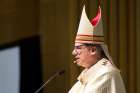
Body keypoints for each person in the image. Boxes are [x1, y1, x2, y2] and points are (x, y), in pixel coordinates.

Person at [68, 5, 126, 93]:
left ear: (93, 50)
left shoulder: (107, 73)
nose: (73, 52)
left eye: (78, 48)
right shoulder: (87, 74)